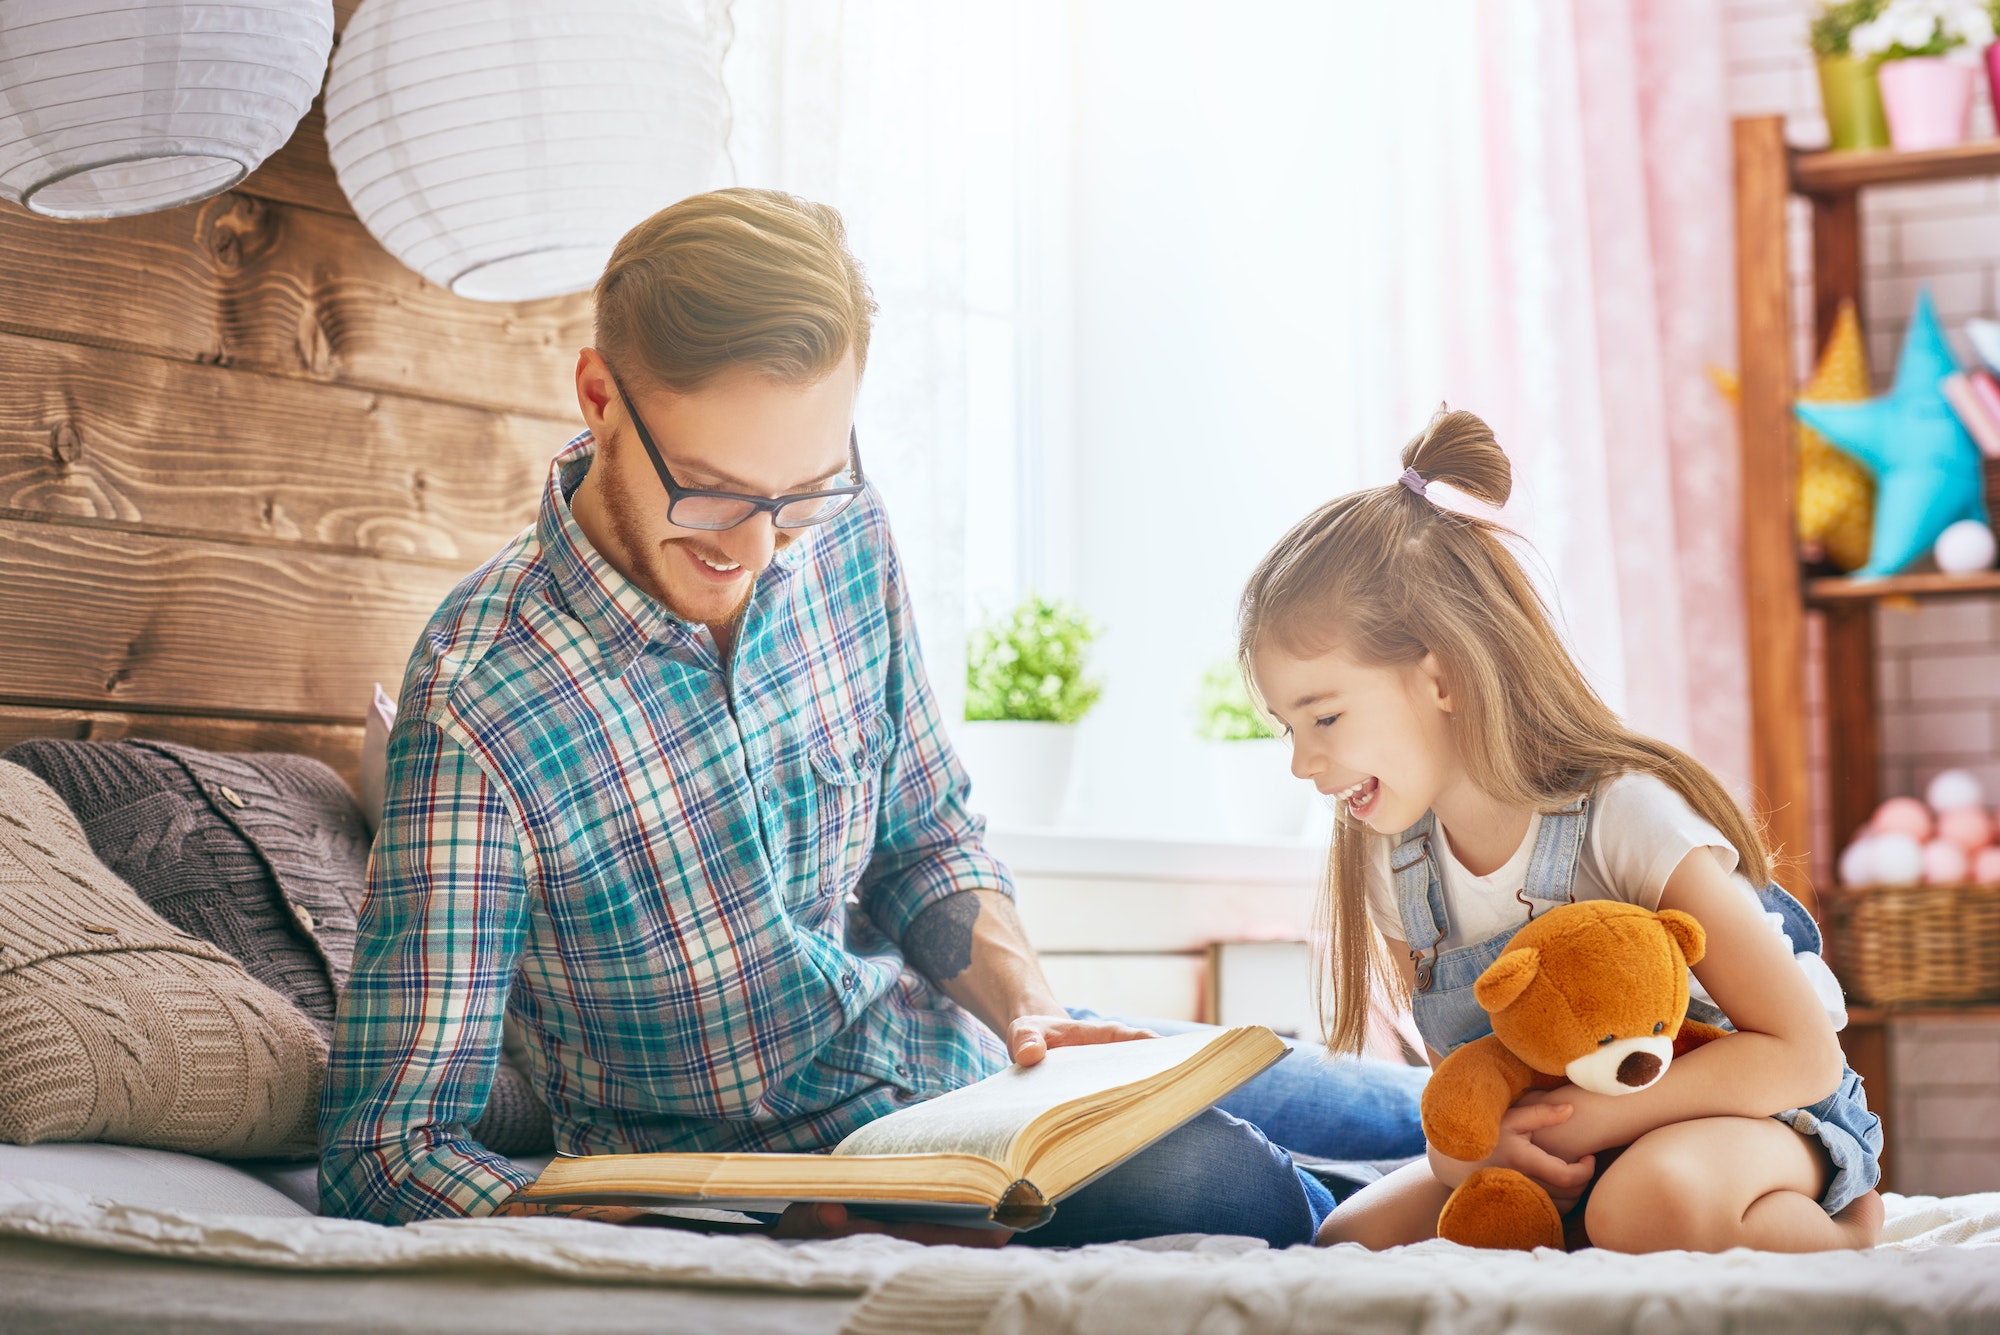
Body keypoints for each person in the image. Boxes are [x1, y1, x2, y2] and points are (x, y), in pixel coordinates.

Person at [318, 187, 1426, 1247]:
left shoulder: (840, 528)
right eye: (707, 489)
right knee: (1214, 1177)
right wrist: (636, 1220)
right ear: (599, 399)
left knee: (1402, 1103)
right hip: (803, 1171)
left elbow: (921, 841)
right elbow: (387, 1150)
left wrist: (1029, 1009)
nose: (755, 552)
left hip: (978, 1080)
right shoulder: (481, 702)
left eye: (796, 495)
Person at [1239, 408, 1884, 1253]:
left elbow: (1802, 1055)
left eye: (1323, 717)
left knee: (1644, 1203)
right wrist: (1474, 1150)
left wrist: (1583, 1121)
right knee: (1349, 1243)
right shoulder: (1393, 863)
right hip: (1574, 1146)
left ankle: (1845, 1232)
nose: (1302, 763)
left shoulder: (1622, 811)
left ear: (1443, 676)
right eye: (1290, 730)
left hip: (1759, 1118)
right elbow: (1462, 1088)